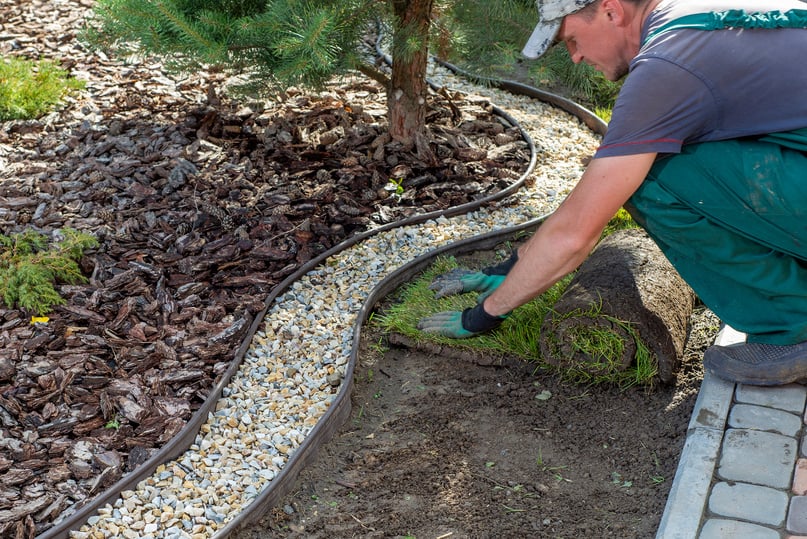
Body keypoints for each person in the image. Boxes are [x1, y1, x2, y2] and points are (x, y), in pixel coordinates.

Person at [417, 0, 807, 386]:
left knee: (653, 178)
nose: (575, 57)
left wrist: (484, 315)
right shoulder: (694, 14)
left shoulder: (666, 68)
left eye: (571, 39)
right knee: (655, 163)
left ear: (611, 10)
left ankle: (794, 326)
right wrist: (509, 267)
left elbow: (576, 233)